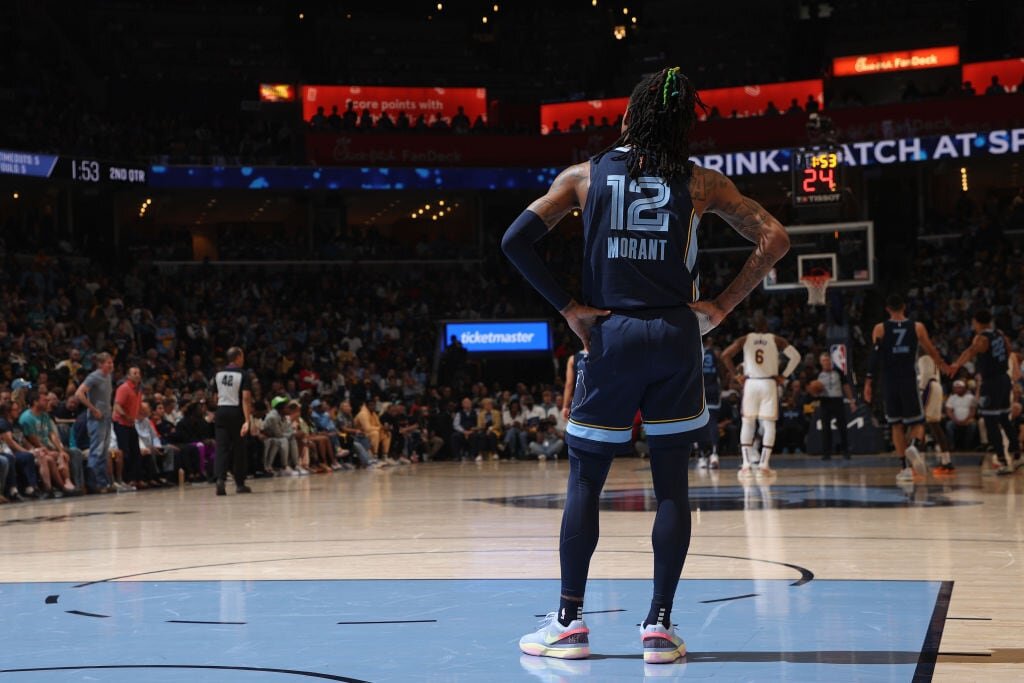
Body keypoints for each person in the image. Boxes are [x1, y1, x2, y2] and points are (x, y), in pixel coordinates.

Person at [502, 66, 789, 664]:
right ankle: (659, 626)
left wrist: (569, 308)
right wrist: (722, 305)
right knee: (672, 488)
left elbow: (514, 241)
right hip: (677, 334)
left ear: (628, 118)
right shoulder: (703, 183)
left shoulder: (583, 176)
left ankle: (569, 623)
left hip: (610, 334)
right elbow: (775, 238)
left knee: (585, 480)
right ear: (684, 125)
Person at [863, 295, 948, 481]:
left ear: (887, 309)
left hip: (889, 380)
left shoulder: (880, 328)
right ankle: (915, 445)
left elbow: (875, 356)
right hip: (908, 379)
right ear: (904, 307)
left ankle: (904, 469)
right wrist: (944, 366)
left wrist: (868, 381)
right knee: (918, 421)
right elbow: (931, 350)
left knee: (896, 425)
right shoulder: (917, 327)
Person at [720, 319, 802, 477]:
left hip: (751, 383)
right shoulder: (776, 339)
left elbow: (725, 355)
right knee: (769, 424)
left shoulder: (745, 339)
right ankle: (764, 464)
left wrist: (737, 375)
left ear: (753, 327)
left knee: (747, 422)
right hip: (769, 383)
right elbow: (796, 357)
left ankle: (745, 465)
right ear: (766, 327)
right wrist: (784, 376)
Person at [949, 309, 1019, 474]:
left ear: (976, 322)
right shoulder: (1000, 334)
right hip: (1004, 379)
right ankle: (1017, 454)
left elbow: (970, 352)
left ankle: (1002, 460)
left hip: (991, 382)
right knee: (1004, 418)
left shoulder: (981, 338)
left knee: (990, 421)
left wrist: (956, 365)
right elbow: (1009, 351)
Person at [209, 347, 253, 496]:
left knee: (221, 447)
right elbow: (246, 398)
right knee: (239, 448)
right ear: (238, 357)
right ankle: (240, 483)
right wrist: (247, 420)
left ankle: (220, 479)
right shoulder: (243, 374)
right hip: (236, 412)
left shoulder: (218, 374)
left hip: (221, 411)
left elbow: (214, 397)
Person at [74, 351, 115, 493]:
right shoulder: (94, 377)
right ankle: (93, 484)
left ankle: (103, 483)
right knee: (96, 451)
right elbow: (79, 393)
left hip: (107, 417)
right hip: (97, 419)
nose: (111, 365)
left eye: (111, 362)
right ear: (100, 364)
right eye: (108, 363)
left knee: (104, 451)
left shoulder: (108, 376)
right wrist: (93, 409)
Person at [918, 355, 954, 475]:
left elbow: (924, 380)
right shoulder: (931, 357)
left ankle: (920, 464)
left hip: (929, 388)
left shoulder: (923, 357)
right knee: (934, 426)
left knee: (920, 425)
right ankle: (946, 461)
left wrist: (922, 398)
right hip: (936, 387)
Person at [816, 352, 855, 461]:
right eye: (823, 360)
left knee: (842, 427)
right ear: (821, 362)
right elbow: (812, 389)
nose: (826, 362)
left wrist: (851, 401)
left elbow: (846, 386)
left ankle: (845, 451)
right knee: (825, 428)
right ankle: (826, 453)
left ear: (831, 361)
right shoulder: (818, 374)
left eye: (827, 360)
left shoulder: (838, 372)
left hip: (837, 401)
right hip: (825, 401)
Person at [695, 336, 723, 469]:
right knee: (712, 423)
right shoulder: (716, 353)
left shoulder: (694, 350)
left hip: (700, 390)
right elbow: (721, 371)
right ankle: (714, 454)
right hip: (713, 390)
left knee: (699, 424)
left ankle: (701, 456)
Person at [944, 379, 978, 451]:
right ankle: (951, 446)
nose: (957, 389)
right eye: (956, 388)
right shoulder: (952, 397)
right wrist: (955, 420)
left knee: (973, 425)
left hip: (968, 420)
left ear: (964, 388)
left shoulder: (970, 397)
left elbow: (973, 411)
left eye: (959, 387)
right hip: (955, 420)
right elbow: (948, 410)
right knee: (949, 425)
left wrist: (966, 420)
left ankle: (968, 447)